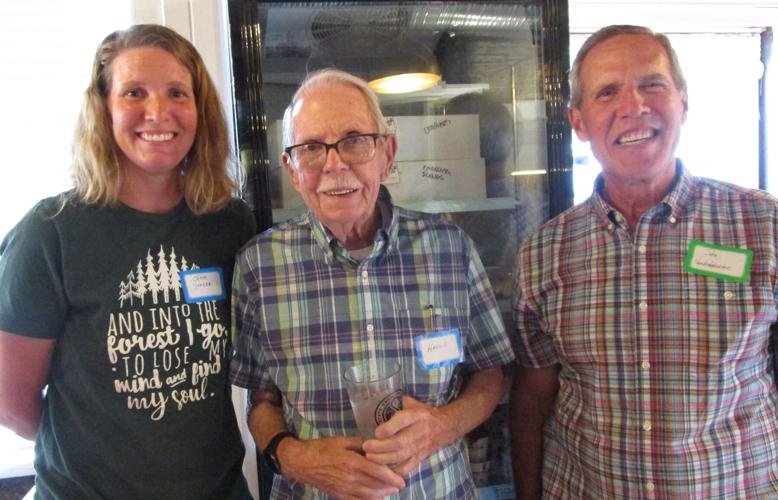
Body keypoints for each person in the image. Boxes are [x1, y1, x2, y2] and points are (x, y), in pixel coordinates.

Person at [510, 24, 778, 499]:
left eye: (652, 84)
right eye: (607, 92)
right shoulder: (544, 252)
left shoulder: (763, 225)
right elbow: (533, 399)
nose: (633, 106)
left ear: (683, 100)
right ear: (579, 122)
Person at [230, 68, 514, 499]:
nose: (334, 163)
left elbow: (490, 374)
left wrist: (444, 425)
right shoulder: (259, 266)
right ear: (291, 169)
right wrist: (293, 457)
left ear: (388, 152)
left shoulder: (450, 250)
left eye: (354, 140)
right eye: (311, 148)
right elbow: (262, 400)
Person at [0, 24, 256, 499]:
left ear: (200, 111)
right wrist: (90, 452)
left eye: (177, 92)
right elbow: (10, 403)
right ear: (104, 108)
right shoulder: (51, 231)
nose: (158, 112)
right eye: (134, 92)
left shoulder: (229, 223)